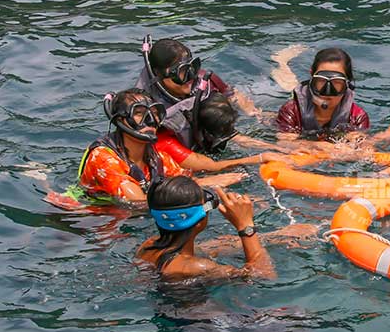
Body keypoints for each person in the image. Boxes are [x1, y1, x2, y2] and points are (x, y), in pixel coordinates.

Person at [78, 88, 242, 203]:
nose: (150, 120)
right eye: (139, 113)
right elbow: (138, 203)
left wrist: (224, 194)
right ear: (121, 121)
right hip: (92, 219)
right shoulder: (104, 158)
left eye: (154, 113)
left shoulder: (157, 157)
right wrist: (205, 190)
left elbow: (185, 182)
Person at [137, 177, 273, 280]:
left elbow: (204, 249)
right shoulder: (201, 268)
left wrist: (276, 237)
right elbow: (263, 275)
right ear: (198, 222)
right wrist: (245, 225)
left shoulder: (148, 247)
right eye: (208, 206)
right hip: (199, 315)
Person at [154, 90, 286, 172]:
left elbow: (236, 137)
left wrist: (277, 148)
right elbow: (210, 166)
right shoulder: (168, 142)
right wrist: (260, 158)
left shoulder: (200, 115)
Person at [136, 36, 260, 116]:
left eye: (192, 67)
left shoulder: (207, 81)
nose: (191, 77)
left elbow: (231, 94)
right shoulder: (148, 105)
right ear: (160, 74)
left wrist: (254, 113)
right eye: (182, 72)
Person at [274, 47, 370, 143]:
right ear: (312, 76)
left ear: (347, 84)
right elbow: (285, 144)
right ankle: (281, 62)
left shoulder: (357, 117)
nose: (327, 91)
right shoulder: (292, 110)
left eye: (337, 82)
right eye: (321, 81)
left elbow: (362, 148)